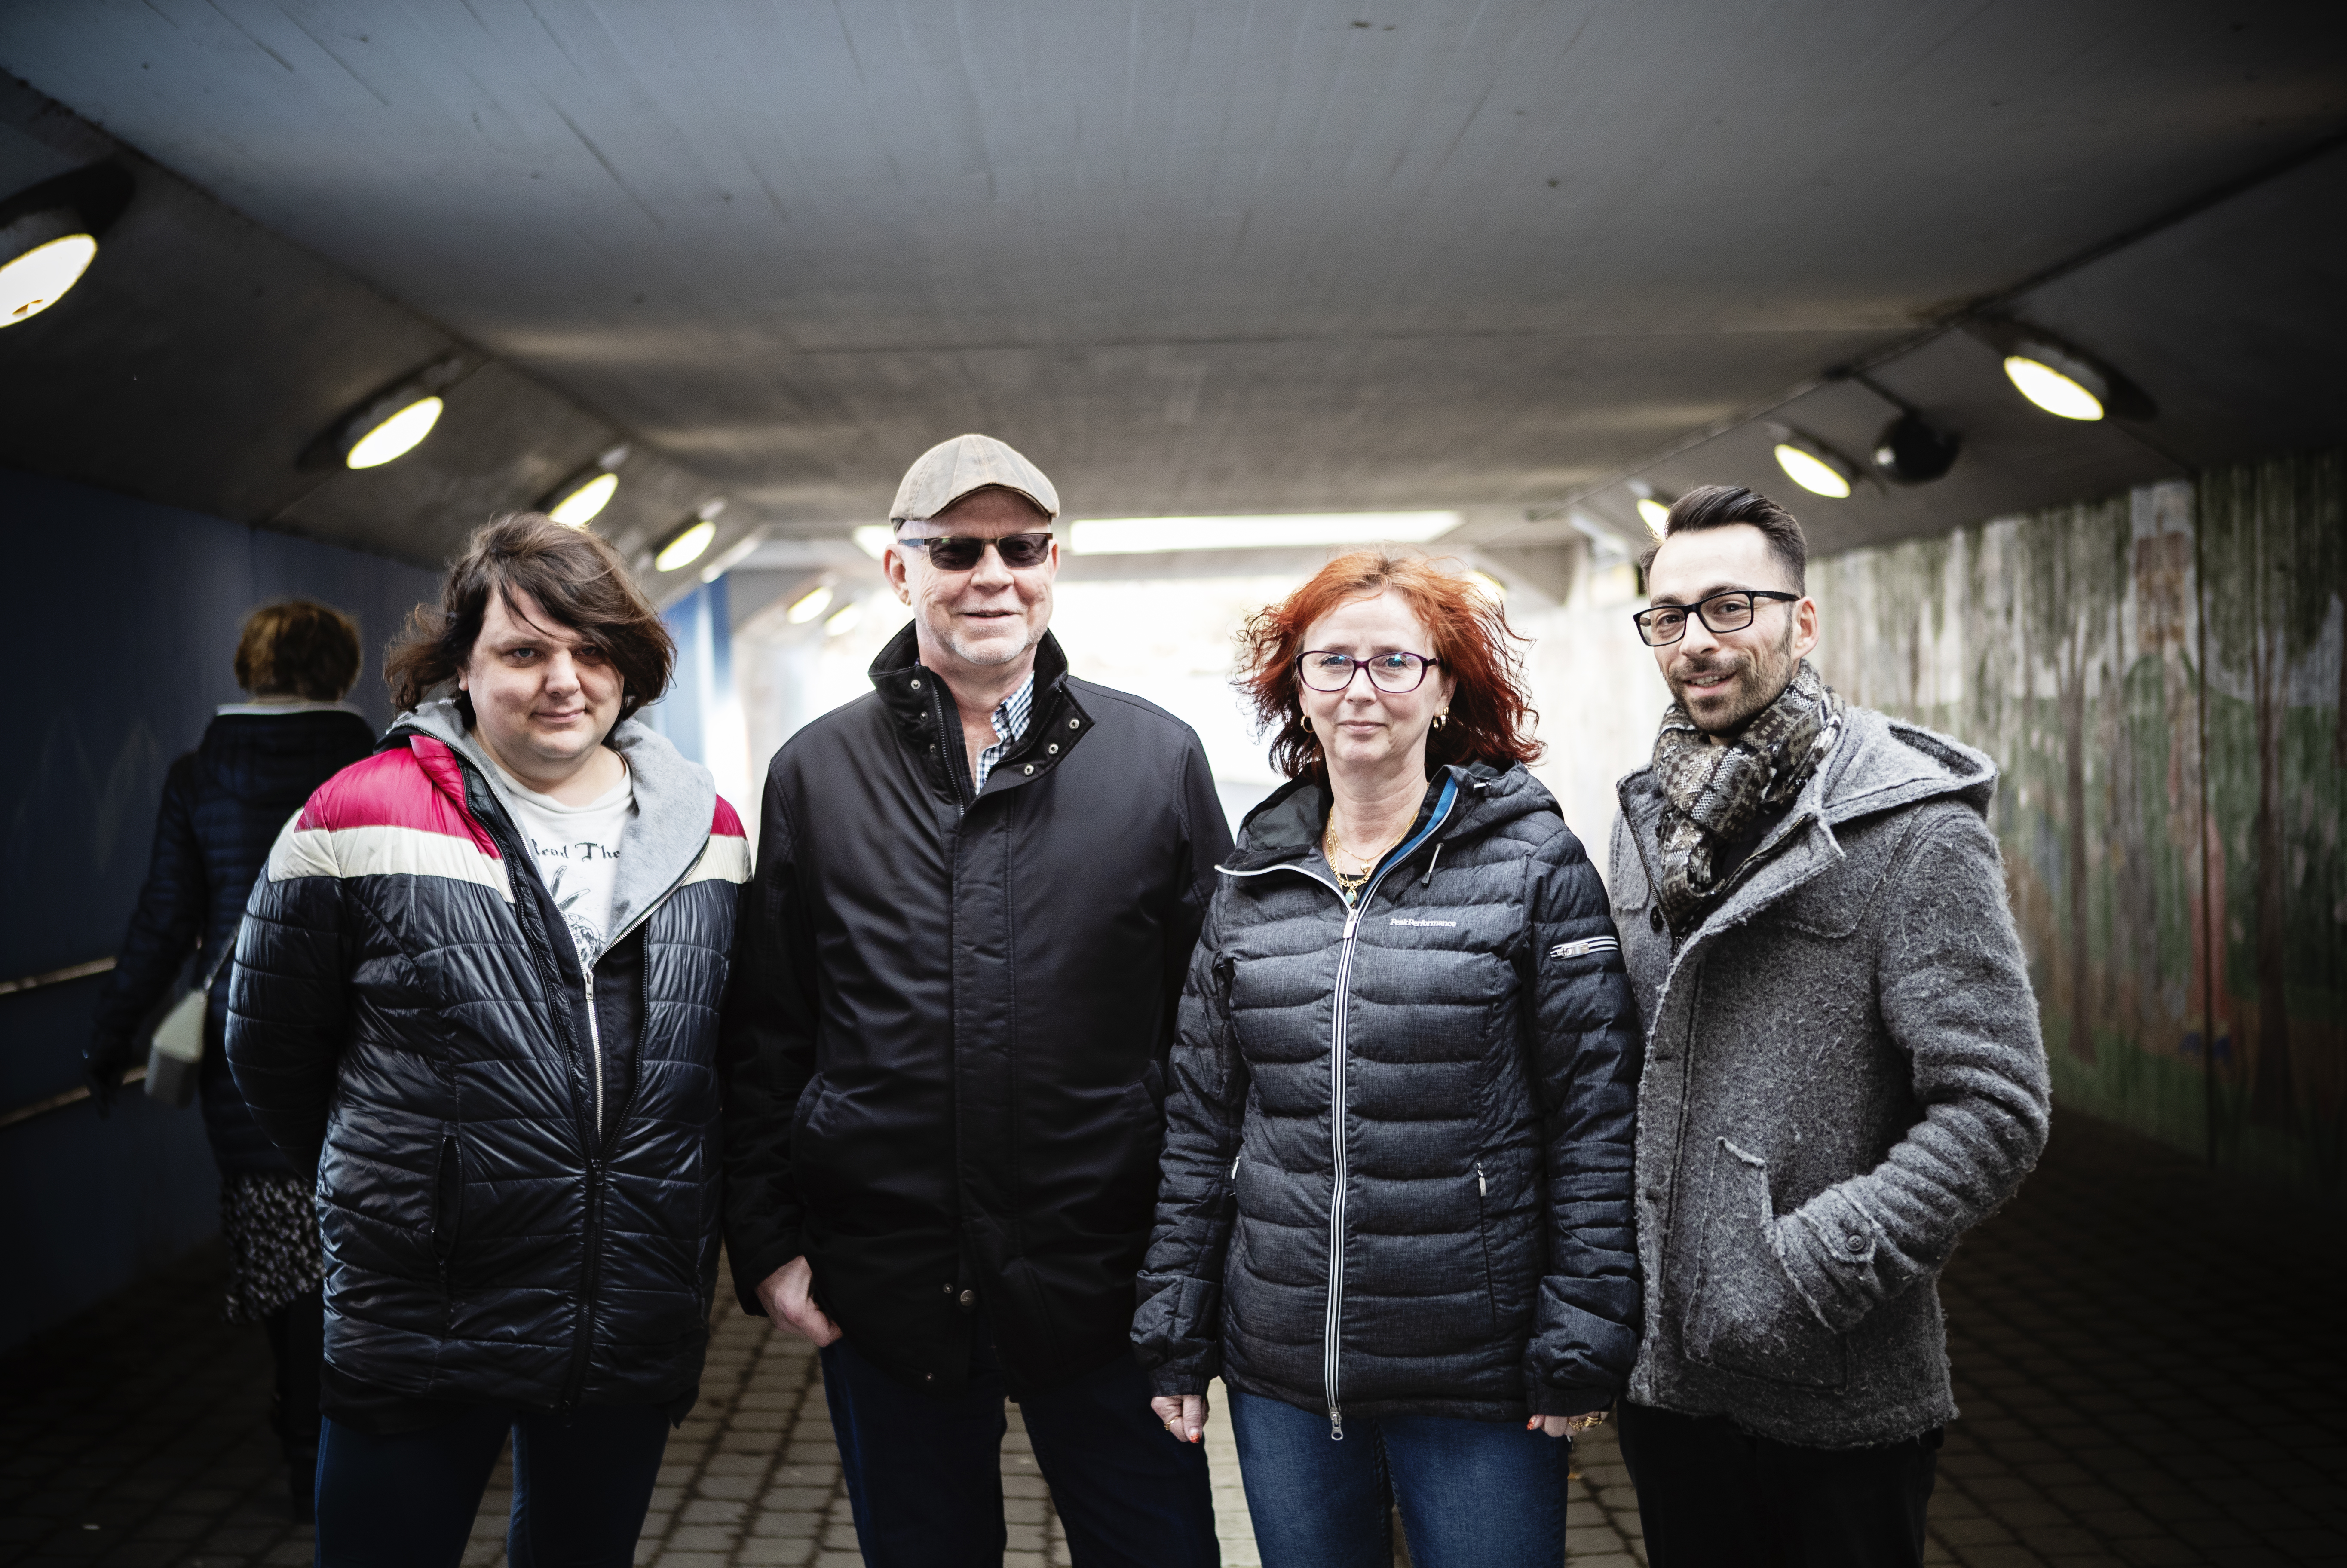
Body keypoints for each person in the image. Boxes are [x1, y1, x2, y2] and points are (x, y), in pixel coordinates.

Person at [720, 433, 1230, 1566]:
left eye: (1021, 545)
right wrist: (767, 1246)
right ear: (899, 570)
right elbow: (770, 1029)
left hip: (1109, 1291)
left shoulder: (1155, 761)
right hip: (889, 1291)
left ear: (1055, 563)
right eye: (956, 547)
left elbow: (1215, 1039)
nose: (992, 572)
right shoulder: (817, 773)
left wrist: (1196, 1272)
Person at [224, 513, 749, 1568]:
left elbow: (726, 1058)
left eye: (592, 648)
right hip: (422, 1312)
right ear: (460, 668)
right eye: (524, 651)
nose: (565, 679)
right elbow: (270, 1046)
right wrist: (399, 1182)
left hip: (626, 1306)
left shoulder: (710, 832)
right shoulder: (359, 814)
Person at [1132, 550, 1644, 1568]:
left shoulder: (1533, 865)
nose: (1361, 689)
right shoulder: (1252, 879)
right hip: (1286, 1372)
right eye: (1334, 663)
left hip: (1477, 1370)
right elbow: (1200, 1125)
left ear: (1445, 685)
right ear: (1298, 686)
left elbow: (1594, 1111)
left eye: (1394, 663)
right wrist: (1174, 1333)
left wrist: (1584, 1328)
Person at [1608, 485, 2049, 1567]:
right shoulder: (1642, 821)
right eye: (1668, 617)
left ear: (1803, 622)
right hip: (1669, 1386)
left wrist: (1802, 1267)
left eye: (1730, 608)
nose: (1695, 644)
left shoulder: (1914, 833)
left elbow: (1997, 1107)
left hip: (1836, 1389)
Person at [86, 599, 377, 1520]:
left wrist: (112, 1033)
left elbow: (167, 919)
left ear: (251, 670)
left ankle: (308, 1456)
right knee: (377, 1245)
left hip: (247, 1059)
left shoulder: (198, 775)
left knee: (289, 1257)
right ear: (343, 674)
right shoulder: (383, 770)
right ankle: (378, 1439)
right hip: (375, 1053)